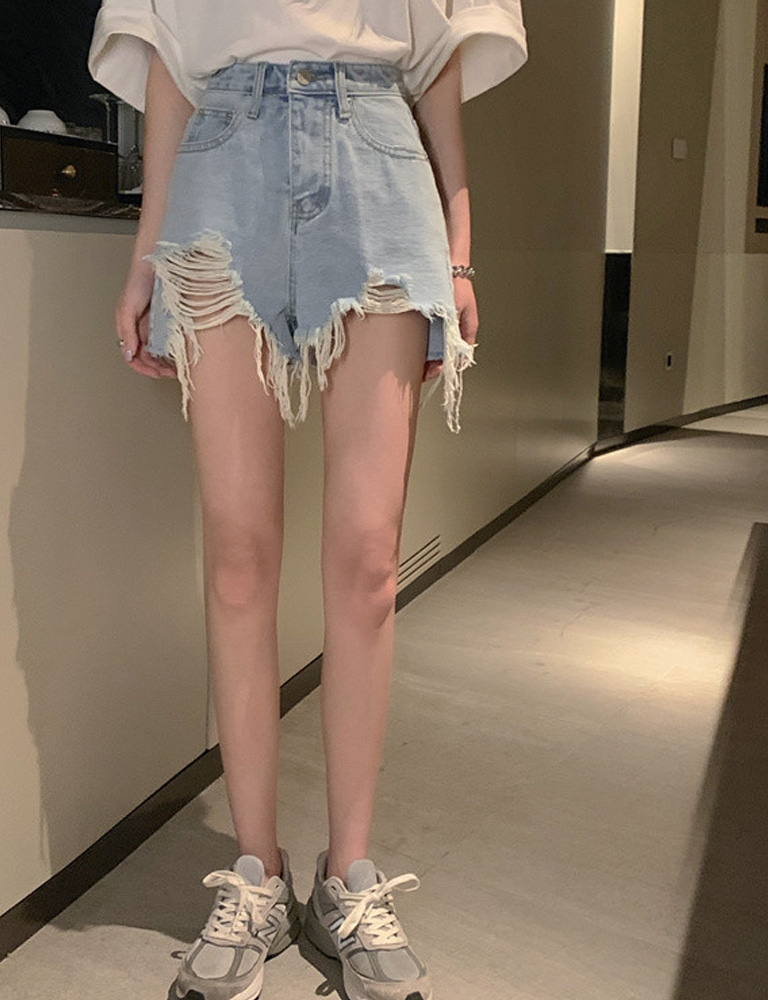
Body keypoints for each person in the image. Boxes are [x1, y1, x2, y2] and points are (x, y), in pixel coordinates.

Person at [88, 4, 526, 999]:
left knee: (368, 561)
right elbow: (166, 60)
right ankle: (256, 870)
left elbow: (439, 64)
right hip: (221, 164)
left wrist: (459, 253)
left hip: (379, 160)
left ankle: (349, 874)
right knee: (238, 555)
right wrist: (145, 255)